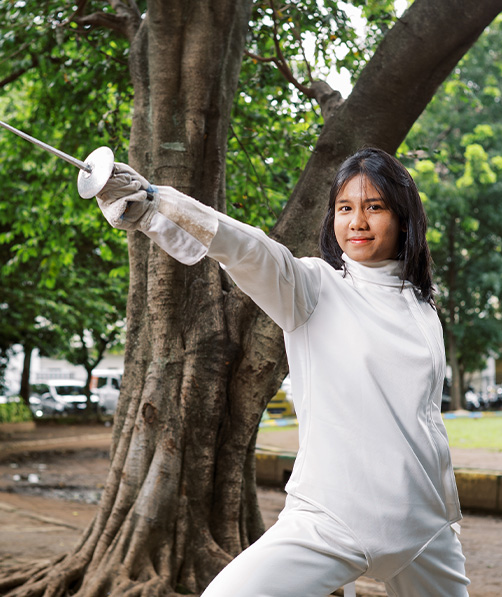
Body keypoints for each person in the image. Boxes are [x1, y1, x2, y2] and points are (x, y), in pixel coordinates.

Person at [92, 147, 468, 596]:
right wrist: (155, 203)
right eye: (345, 208)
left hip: (423, 522)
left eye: (375, 207)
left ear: (403, 218)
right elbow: (249, 248)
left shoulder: (422, 305)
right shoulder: (314, 289)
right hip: (333, 517)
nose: (357, 222)